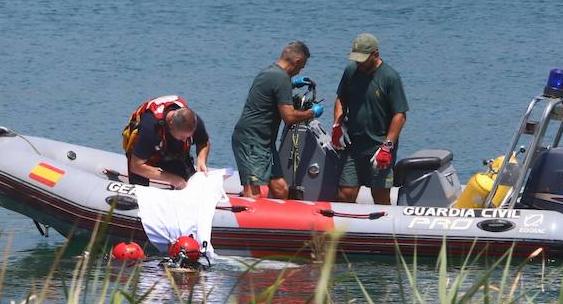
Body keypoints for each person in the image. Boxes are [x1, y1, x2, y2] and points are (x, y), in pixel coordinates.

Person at [230, 41, 322, 199]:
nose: (301, 70)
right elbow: (289, 117)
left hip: (265, 143)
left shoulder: (271, 72)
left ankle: (275, 223)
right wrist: (312, 113)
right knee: (252, 194)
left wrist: (293, 84)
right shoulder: (280, 78)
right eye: (302, 66)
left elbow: (273, 88)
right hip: (252, 141)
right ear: (297, 61)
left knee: (281, 190)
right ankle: (250, 221)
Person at [331, 33, 408, 206]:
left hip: (379, 145)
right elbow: (341, 99)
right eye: (356, 59)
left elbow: (400, 115)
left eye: (363, 59)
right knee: (345, 193)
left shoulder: (390, 77)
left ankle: (387, 231)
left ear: (375, 54)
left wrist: (387, 147)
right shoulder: (351, 71)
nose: (359, 63)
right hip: (352, 145)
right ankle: (345, 230)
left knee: (380, 194)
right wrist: (337, 125)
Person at [124, 96, 210, 188]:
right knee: (140, 191)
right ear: (171, 124)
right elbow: (136, 166)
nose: (185, 140)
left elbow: (203, 142)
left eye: (188, 137)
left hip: (171, 152)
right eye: (182, 136)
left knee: (190, 184)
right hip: (145, 155)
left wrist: (201, 160)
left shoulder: (193, 121)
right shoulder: (150, 128)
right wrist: (171, 178)